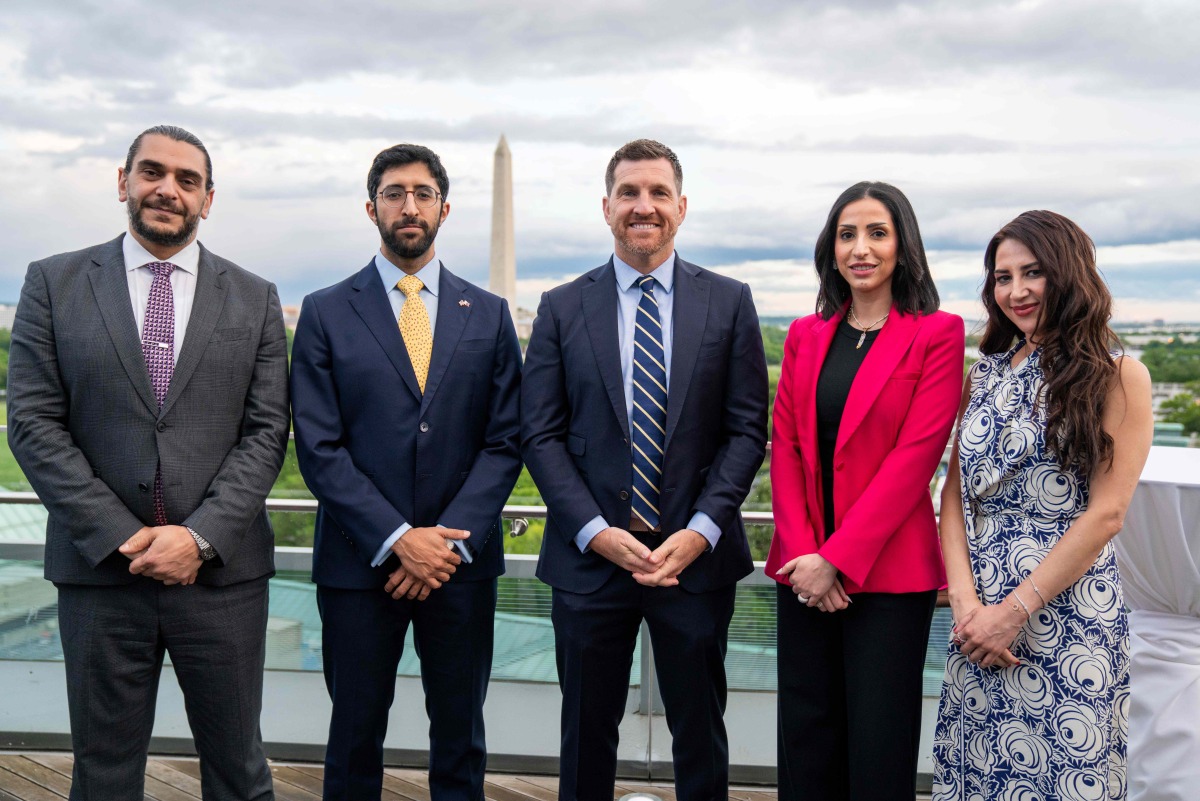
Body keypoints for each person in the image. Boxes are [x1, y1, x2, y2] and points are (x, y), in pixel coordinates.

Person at [6, 125, 289, 800]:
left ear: (208, 198)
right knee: (102, 774)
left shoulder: (255, 297)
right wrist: (123, 535)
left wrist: (198, 537)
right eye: (153, 172)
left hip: (222, 578)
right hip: (102, 572)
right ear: (123, 180)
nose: (169, 189)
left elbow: (267, 431)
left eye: (188, 179)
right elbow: (32, 423)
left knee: (240, 772)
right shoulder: (54, 282)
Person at [521, 138, 769, 801]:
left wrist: (701, 531)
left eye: (658, 192)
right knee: (585, 734)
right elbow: (539, 434)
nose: (644, 206)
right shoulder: (561, 306)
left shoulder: (730, 301)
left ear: (682, 207)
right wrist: (596, 531)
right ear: (606, 208)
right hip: (590, 562)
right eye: (629, 192)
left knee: (699, 731)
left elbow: (747, 432)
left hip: (694, 563)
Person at [290, 143, 522, 800]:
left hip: (460, 566)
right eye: (394, 192)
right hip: (359, 566)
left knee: (459, 737)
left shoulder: (491, 312)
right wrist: (398, 538)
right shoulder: (326, 311)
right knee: (355, 736)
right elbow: (318, 445)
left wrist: (444, 541)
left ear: (445, 208)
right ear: (371, 208)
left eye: (422, 193)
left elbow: (506, 440)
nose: (409, 205)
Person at [932, 210, 1153, 799]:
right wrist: (966, 602)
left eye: (1033, 273)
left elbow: (1108, 513)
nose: (1016, 291)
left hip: (1064, 617)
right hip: (975, 624)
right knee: (978, 774)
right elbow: (954, 494)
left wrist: (1014, 610)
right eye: (1002, 278)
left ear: (1069, 272)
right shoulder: (983, 374)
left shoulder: (1118, 375)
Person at [766, 181, 964, 800]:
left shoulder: (937, 332)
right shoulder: (805, 334)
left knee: (878, 752)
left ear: (903, 247)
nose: (861, 248)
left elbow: (915, 461)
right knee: (806, 742)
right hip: (802, 572)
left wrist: (838, 561)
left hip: (887, 577)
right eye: (847, 234)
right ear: (831, 249)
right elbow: (788, 452)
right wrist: (807, 558)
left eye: (877, 232)